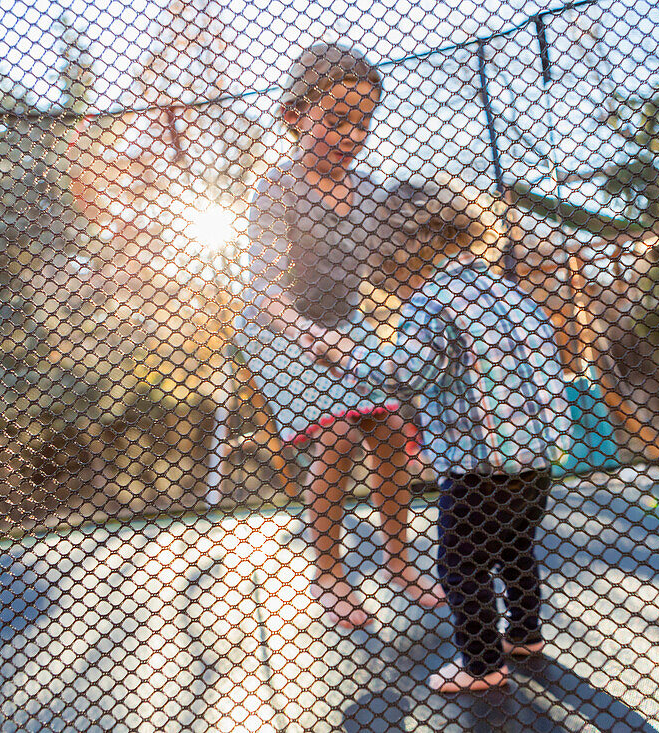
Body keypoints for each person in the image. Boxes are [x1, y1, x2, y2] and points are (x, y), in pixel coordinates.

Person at [235, 42, 443, 630]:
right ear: (295, 116)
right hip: (275, 327)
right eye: (335, 120)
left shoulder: (372, 194)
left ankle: (399, 562)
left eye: (363, 122)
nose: (352, 135)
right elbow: (265, 291)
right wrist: (313, 338)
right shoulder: (275, 190)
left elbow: (406, 264)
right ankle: (328, 575)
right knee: (339, 432)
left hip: (344, 325)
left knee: (390, 423)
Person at [318, 237, 566, 692]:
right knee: (515, 548)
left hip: (479, 469)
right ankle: (525, 634)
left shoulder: (429, 301)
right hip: (535, 461)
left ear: (404, 256)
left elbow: (405, 374)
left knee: (459, 564)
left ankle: (481, 664)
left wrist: (343, 354)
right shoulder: (514, 296)